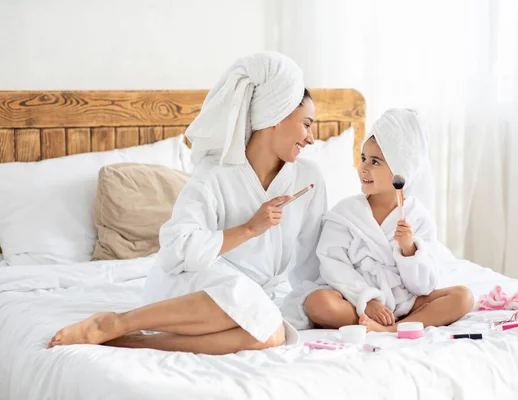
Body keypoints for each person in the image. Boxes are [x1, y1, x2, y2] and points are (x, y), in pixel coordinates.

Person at [48, 52, 327, 355]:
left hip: (253, 300)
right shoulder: (215, 174)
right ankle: (122, 321)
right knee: (244, 299)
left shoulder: (308, 178)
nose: (311, 138)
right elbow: (177, 250)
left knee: (271, 335)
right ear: (276, 116)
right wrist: (248, 229)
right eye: (306, 124)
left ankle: (128, 338)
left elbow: (315, 258)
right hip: (194, 288)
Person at [304, 109, 474, 332]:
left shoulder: (417, 217)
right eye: (363, 158)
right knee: (317, 303)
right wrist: (368, 300)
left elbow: (424, 285)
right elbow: (333, 265)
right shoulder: (346, 213)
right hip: (358, 302)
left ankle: (392, 329)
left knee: (464, 297)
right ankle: (380, 324)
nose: (363, 167)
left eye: (375, 162)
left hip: (407, 302)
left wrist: (409, 251)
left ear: (400, 170)